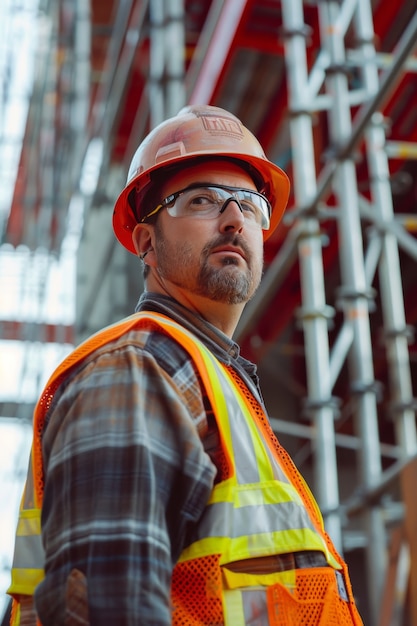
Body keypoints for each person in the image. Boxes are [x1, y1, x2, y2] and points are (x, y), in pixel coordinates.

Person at [8, 104, 363, 625]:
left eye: (249, 204)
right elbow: (109, 609)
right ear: (146, 243)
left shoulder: (217, 384)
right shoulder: (137, 370)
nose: (234, 218)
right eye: (202, 200)